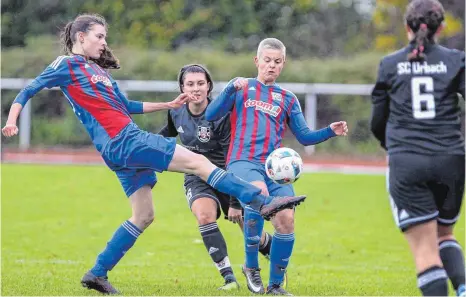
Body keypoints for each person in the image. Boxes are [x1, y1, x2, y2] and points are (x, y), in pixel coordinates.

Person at [1, 14, 307, 295]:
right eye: (99, 36)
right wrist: (13, 120)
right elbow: (29, 89)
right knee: (198, 162)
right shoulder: (66, 65)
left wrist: (168, 106)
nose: (104, 42)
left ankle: (96, 273)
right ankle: (263, 201)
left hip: (117, 150)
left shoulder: (98, 71)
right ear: (81, 37)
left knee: (144, 215)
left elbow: (126, 105)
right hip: (125, 140)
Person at [205, 38, 348, 295]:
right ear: (257, 61)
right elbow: (211, 114)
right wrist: (227, 89)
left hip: (273, 170)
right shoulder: (241, 88)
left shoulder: (288, 98)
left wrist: (330, 131)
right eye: (267, 60)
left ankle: (275, 286)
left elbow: (304, 136)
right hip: (242, 162)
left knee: (286, 219)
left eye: (277, 62)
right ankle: (251, 268)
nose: (271, 66)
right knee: (258, 195)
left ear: (283, 65)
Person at [370, 1, 465, 296]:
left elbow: (377, 122)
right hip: (452, 160)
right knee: (444, 233)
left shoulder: (390, 64)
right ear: (442, 27)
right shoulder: (456, 60)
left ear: (407, 27)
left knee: (425, 252)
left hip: (408, 160)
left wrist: (393, 147)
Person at [159, 63, 278, 290]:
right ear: (182, 87)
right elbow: (169, 133)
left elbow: (230, 156)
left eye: (201, 83)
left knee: (252, 231)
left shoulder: (220, 115)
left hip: (227, 176)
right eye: (190, 84)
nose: (196, 88)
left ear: (209, 86)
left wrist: (234, 202)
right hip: (196, 176)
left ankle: (273, 253)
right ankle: (229, 279)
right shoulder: (176, 110)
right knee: (204, 216)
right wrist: (143, 144)